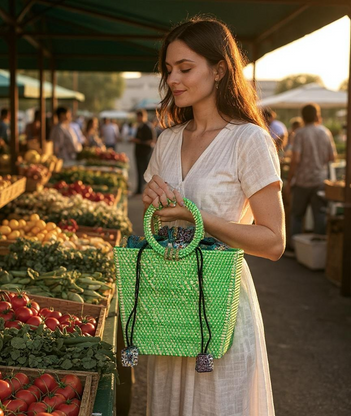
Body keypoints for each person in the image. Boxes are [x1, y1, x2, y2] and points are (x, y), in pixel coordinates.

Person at [142, 17, 285, 416]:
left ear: (219, 69)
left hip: (221, 310)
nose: (173, 79)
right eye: (168, 70)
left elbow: (274, 242)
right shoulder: (167, 139)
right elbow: (153, 221)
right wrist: (152, 203)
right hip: (168, 306)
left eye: (185, 68)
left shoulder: (249, 140)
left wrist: (197, 217)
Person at [288, 103, 336, 245]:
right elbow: (332, 157)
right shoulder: (325, 132)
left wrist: (290, 180)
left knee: (297, 215)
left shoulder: (300, 133)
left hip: (302, 181)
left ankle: (294, 247)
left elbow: (295, 159)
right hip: (320, 180)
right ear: (317, 115)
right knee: (319, 214)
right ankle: (318, 248)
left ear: (302, 116)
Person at [130, 109, 156, 194]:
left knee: (145, 173)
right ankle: (139, 189)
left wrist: (139, 141)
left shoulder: (148, 127)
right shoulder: (139, 126)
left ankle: (146, 190)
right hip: (138, 153)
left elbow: (151, 141)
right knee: (139, 171)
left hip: (145, 153)